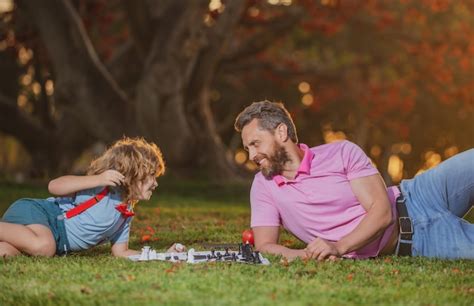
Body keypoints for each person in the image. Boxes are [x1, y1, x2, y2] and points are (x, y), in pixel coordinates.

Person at [234, 100, 473, 260]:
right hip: (417, 240)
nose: (252, 155)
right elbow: (264, 246)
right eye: (247, 148)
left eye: (256, 144)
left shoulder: (341, 152)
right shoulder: (263, 186)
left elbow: (381, 212)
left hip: (419, 194)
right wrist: (307, 255)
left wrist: (338, 247)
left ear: (281, 132)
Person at [0, 137, 184, 257]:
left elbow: (122, 252)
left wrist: (163, 256)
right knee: (44, 247)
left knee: (6, 253)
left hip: (46, 236)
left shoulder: (125, 213)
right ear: (132, 174)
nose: (155, 183)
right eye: (151, 176)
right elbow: (53, 186)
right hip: (39, 215)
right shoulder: (102, 188)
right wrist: (97, 179)